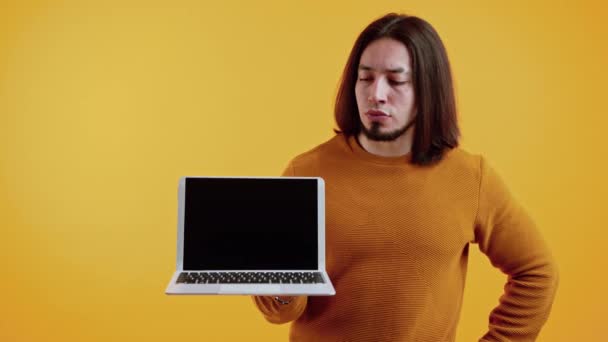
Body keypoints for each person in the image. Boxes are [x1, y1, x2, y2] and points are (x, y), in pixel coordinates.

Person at [252, 13, 559, 342]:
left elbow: (537, 272)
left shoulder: (470, 177)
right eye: (365, 78)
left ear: (429, 89)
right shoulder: (306, 172)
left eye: (396, 81)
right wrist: (276, 276)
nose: (376, 94)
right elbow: (281, 312)